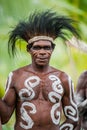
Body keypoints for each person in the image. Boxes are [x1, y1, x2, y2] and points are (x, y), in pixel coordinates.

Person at [0, 10, 80, 130]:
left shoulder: (63, 78)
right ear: (29, 49)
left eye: (46, 48)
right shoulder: (16, 77)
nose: (42, 52)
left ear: (52, 49)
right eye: (37, 47)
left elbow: (73, 118)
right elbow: (5, 117)